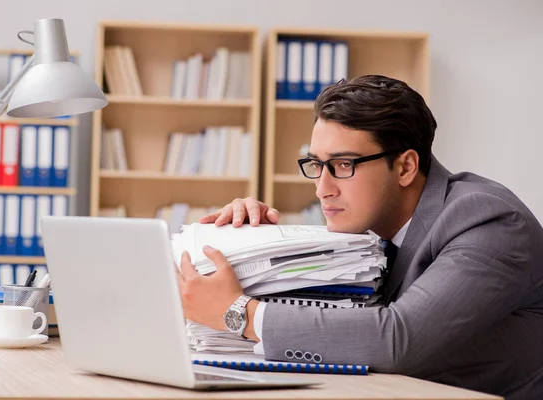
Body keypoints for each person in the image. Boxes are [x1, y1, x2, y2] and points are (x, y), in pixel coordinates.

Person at [175, 75, 543, 400]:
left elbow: (398, 339)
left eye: (343, 165)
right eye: (317, 165)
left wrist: (239, 312)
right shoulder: (372, 225)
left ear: (405, 167)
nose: (322, 189)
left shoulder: (488, 221)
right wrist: (253, 248)